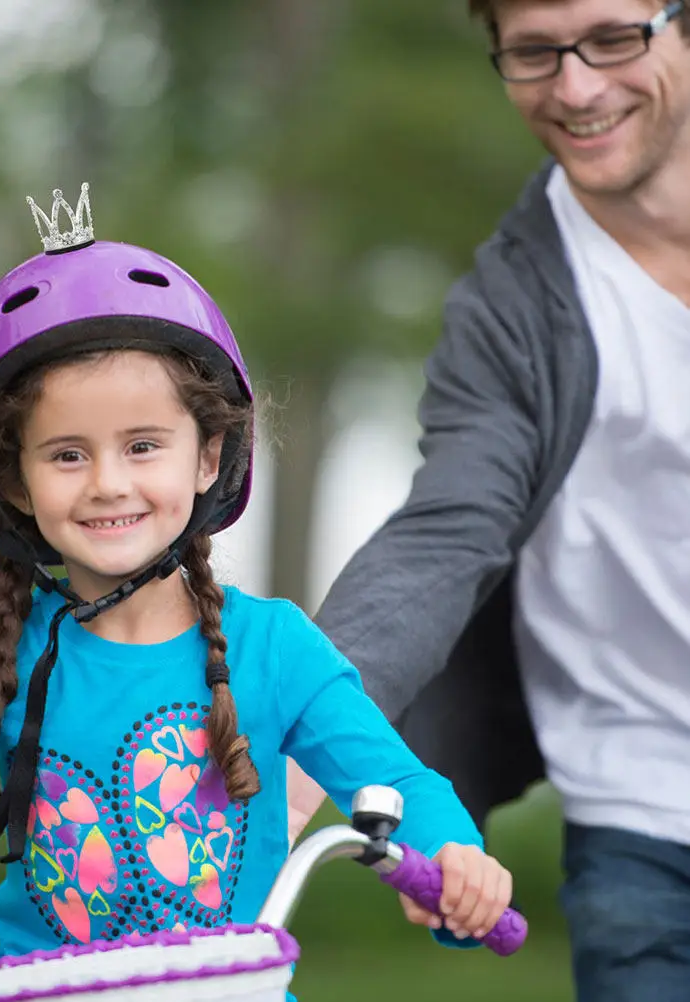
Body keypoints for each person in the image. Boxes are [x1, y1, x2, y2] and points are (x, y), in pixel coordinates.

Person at [0, 183, 514, 970]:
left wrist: (455, 865)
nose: (109, 483)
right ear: (14, 482)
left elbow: (397, 780)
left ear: (209, 456)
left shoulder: (277, 650)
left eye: (143, 445)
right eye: (68, 454)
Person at [287, 0, 690, 999]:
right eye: (533, 52)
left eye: (613, 38)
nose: (577, 86)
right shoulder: (511, 311)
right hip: (645, 818)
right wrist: (293, 725)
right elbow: (442, 537)